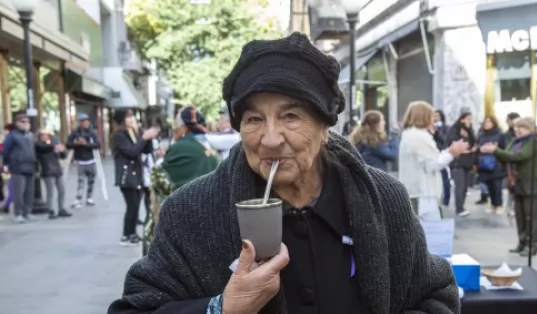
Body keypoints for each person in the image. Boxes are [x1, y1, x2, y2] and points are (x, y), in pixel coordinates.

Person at [108, 32, 459, 314]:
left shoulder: (384, 199)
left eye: (291, 116)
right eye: (254, 119)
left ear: (325, 126)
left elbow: (436, 296)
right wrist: (222, 309)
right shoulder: (190, 212)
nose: (271, 140)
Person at [481, 117, 537, 257]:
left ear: (530, 128)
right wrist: (495, 151)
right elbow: (507, 156)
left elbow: (519, 156)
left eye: (521, 127)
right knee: (520, 216)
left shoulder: (534, 141)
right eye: (516, 127)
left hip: (532, 185)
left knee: (532, 216)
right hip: (518, 184)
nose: (517, 130)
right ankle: (522, 243)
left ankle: (532, 245)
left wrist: (496, 151)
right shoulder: (515, 141)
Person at [398, 101, 470, 220]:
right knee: (430, 232)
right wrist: (452, 152)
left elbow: (430, 158)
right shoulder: (419, 136)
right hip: (423, 194)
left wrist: (449, 151)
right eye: (432, 116)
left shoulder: (410, 134)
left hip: (419, 192)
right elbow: (433, 164)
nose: (434, 120)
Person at [112, 109, 159, 246]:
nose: (131, 119)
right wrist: (144, 138)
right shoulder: (119, 135)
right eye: (128, 117)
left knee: (136, 206)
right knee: (132, 206)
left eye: (132, 116)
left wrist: (146, 136)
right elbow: (132, 152)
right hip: (127, 176)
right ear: (122, 119)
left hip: (137, 174)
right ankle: (126, 235)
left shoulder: (134, 132)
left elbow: (146, 150)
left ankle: (131, 233)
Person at [160, 106, 220, 191]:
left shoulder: (179, 147)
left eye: (176, 124)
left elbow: (161, 180)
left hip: (190, 201)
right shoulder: (208, 144)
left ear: (185, 128)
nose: (173, 128)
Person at [2, 115, 37, 223]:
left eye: (28, 122)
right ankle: (18, 214)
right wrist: (6, 164)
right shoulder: (12, 136)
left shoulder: (30, 135)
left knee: (29, 192)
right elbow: (6, 151)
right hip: (18, 167)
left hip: (30, 166)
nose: (26, 123)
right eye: (23, 121)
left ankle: (27, 212)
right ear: (17, 123)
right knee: (19, 192)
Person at [66, 113, 101, 208]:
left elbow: (98, 144)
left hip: (91, 160)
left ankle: (89, 197)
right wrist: (77, 144)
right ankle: (78, 198)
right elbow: (68, 144)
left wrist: (86, 144)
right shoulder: (75, 133)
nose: (84, 123)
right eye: (82, 121)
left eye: (85, 121)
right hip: (80, 160)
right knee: (81, 180)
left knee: (91, 180)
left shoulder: (92, 132)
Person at [36, 129, 71, 219]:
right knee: (50, 192)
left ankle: (61, 208)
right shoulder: (38, 145)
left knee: (61, 190)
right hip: (47, 170)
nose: (45, 137)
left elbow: (63, 156)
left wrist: (62, 150)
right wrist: (55, 146)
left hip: (57, 169)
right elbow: (45, 148)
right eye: (42, 135)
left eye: (47, 135)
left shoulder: (52, 144)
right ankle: (50, 210)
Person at [446, 111, 476, 217]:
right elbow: (450, 142)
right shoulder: (454, 129)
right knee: (460, 185)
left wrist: (469, 134)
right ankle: (459, 208)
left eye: (470, 119)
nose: (469, 121)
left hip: (467, 162)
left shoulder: (469, 130)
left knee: (465, 186)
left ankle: (462, 206)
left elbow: (474, 142)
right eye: (468, 119)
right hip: (457, 162)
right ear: (462, 119)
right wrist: (460, 136)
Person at [477, 116, 506, 214]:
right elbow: (478, 146)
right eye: (485, 121)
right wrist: (480, 149)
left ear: (494, 123)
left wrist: (495, 149)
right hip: (484, 162)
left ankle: (499, 204)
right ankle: (492, 204)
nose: (486, 123)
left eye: (489, 121)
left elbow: (504, 147)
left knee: (497, 185)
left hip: (496, 162)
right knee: (489, 185)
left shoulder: (500, 134)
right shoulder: (481, 135)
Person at [433, 110, 451, 206]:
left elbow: (445, 140)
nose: (436, 117)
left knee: (445, 178)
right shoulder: (430, 126)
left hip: (442, 153)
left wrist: (437, 133)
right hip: (433, 154)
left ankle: (446, 200)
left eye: (438, 115)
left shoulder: (445, 127)